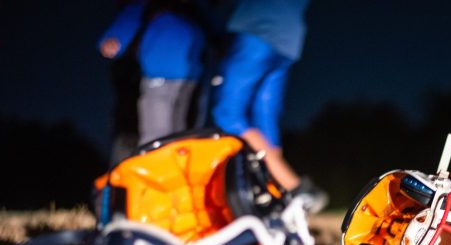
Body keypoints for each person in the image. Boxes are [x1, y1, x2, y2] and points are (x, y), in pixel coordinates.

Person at [211, 0, 327, 212]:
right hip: (288, 36)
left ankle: (296, 189)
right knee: (264, 119)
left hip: (259, 27)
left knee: (226, 113)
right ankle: (275, 194)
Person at [99, 0, 207, 149]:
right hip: (175, 75)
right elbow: (128, 21)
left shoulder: (190, 10)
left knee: (168, 133)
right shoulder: (151, 7)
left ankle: (168, 164)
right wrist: (114, 38)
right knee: (165, 132)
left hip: (178, 76)